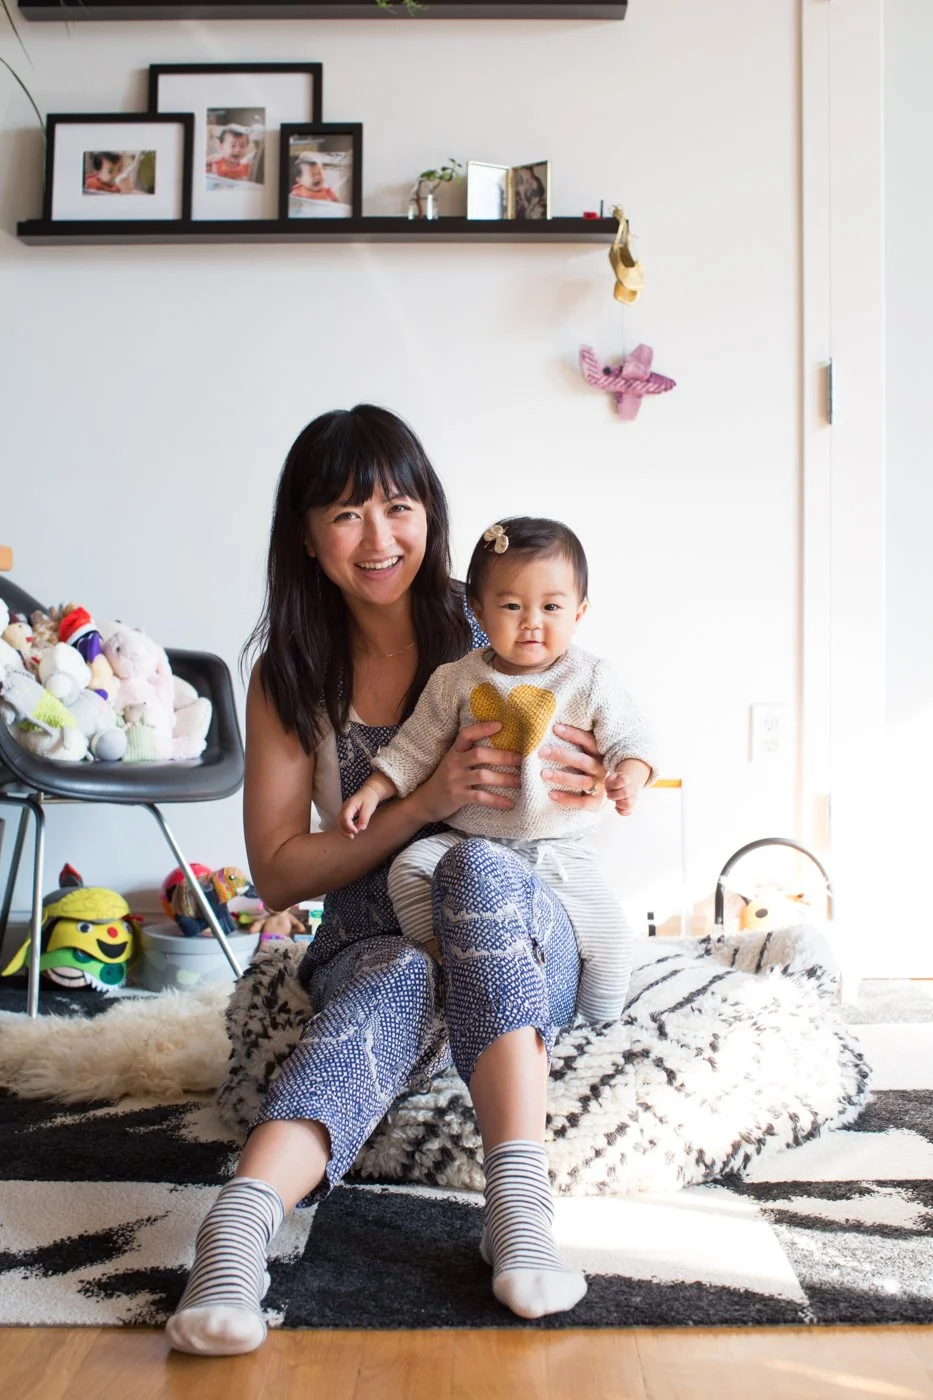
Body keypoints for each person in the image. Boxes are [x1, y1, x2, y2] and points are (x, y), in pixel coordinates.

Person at [166, 405, 634, 1357]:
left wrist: (591, 778)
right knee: (398, 978)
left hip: (514, 926)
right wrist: (418, 805)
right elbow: (278, 873)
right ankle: (237, 1230)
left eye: (398, 505)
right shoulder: (292, 674)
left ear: (431, 512)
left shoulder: (499, 618)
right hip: (374, 934)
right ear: (303, 534)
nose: (378, 539)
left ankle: (519, 1209)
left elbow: (596, 756)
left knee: (478, 867)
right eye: (344, 514)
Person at [340, 516, 656, 1023]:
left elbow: (632, 739)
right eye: (512, 606)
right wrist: (376, 788)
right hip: (473, 848)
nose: (532, 621)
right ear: (479, 612)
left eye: (551, 607)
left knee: (614, 944)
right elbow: (416, 747)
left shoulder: (590, 677)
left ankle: (594, 1030)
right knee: (409, 867)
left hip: (560, 854)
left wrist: (629, 775)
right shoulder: (456, 680)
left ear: (580, 613)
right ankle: (444, 959)